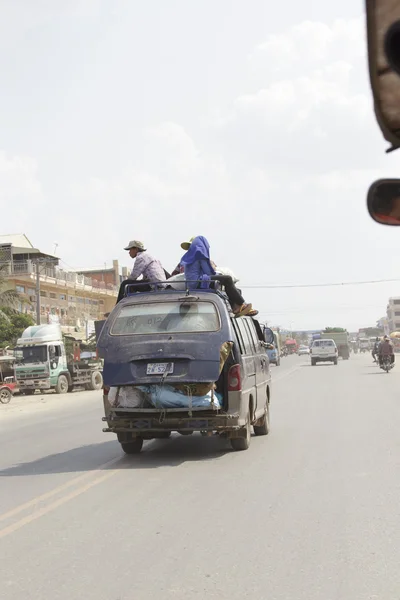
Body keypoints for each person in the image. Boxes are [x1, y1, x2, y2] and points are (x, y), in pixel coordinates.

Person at [178, 235, 258, 317]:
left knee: (227, 285)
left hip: (192, 283)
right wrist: (219, 274)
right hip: (199, 282)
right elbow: (209, 272)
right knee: (227, 279)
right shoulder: (199, 255)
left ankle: (237, 306)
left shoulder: (188, 256)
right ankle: (241, 304)